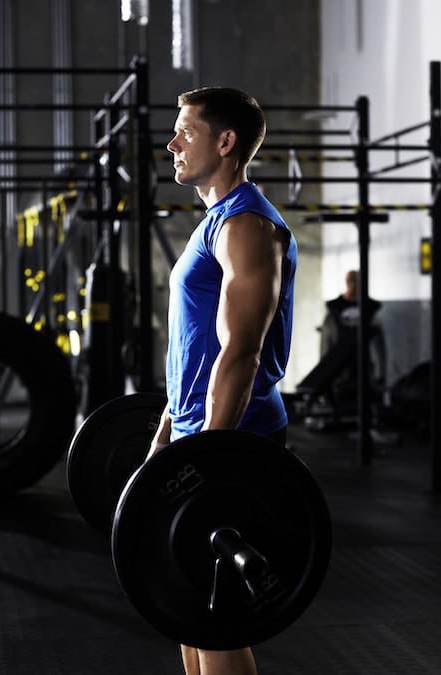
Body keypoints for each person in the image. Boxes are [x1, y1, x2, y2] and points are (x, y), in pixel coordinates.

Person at [147, 86, 298, 675]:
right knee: (184, 612)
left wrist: (211, 457)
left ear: (226, 141)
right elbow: (193, 349)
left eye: (186, 131)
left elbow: (242, 351)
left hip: (235, 443)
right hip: (198, 437)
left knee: (217, 621)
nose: (172, 143)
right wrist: (165, 430)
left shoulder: (247, 225)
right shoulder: (214, 222)